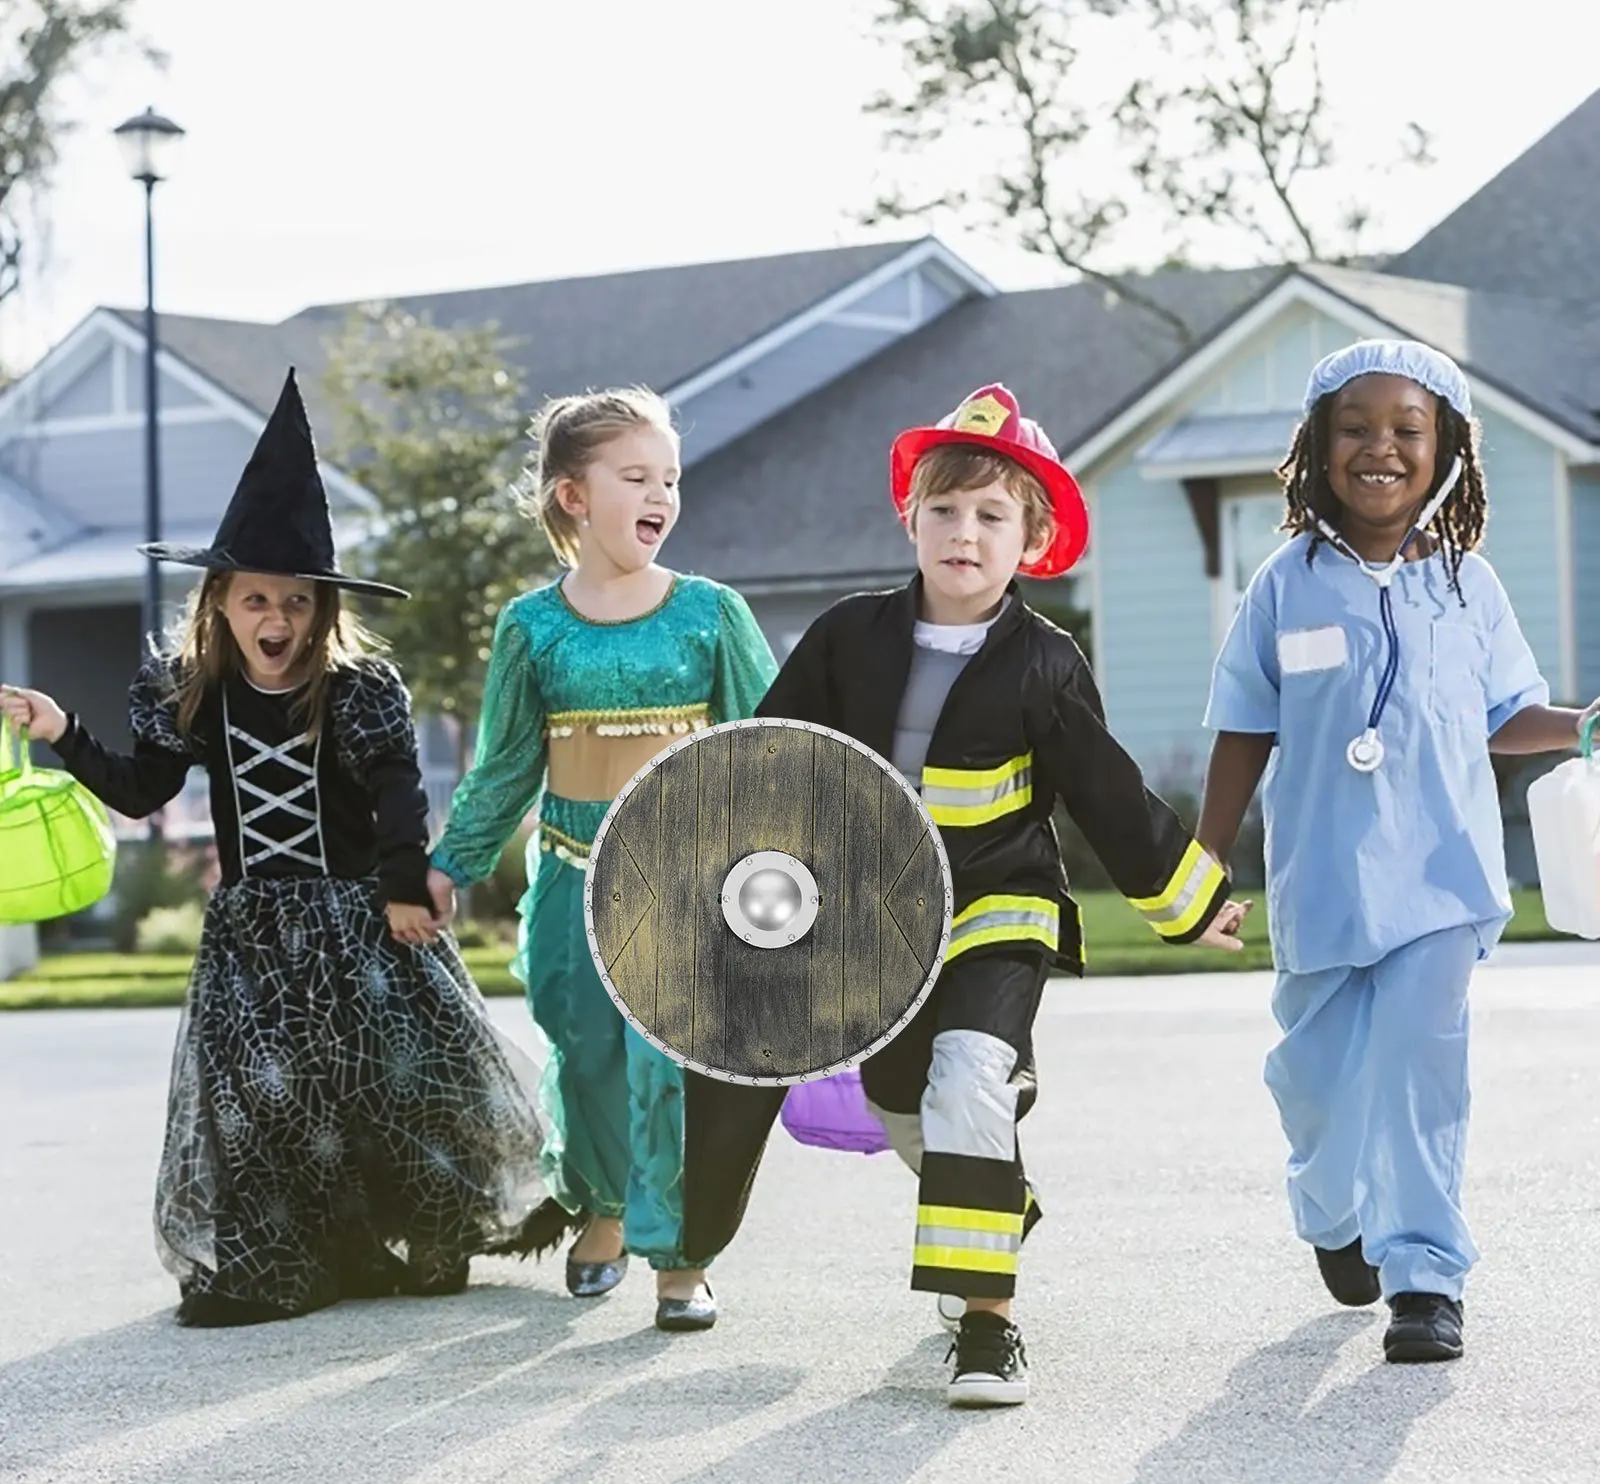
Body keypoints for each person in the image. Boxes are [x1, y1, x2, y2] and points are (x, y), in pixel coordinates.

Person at [680, 383, 1251, 1405]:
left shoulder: (1044, 661)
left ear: (1029, 539)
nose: (964, 531)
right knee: (908, 1106)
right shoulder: (845, 638)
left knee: (970, 1080)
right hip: (871, 921)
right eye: (944, 509)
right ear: (910, 520)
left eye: (993, 514)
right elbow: (767, 761)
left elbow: (1107, 792)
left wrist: (1190, 900)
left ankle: (986, 1326)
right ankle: (987, 1202)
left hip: (999, 906)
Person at [0, 370, 551, 1328]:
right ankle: (282, 1261)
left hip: (358, 917)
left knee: (394, 1080)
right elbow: (143, 791)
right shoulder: (192, 691)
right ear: (221, 602)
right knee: (263, 1096)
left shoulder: (357, 688)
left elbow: (395, 790)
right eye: (257, 600)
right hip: (255, 930)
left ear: (321, 610)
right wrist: (61, 732)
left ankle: (423, 1242)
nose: (277, 622)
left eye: (296, 603)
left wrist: (402, 887)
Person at [1197, 339, 1600, 1364]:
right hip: (1324, 885)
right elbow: (1245, 727)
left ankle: (1425, 1274)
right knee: (1316, 1081)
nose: (1380, 447)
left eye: (1406, 429)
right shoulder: (1284, 584)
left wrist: (1580, 724)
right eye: (1354, 427)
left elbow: (1504, 712)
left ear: (1446, 449)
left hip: (1442, 878)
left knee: (1425, 1070)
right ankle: (1332, 1212)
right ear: (1317, 448)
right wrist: (1201, 864)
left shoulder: (1469, 586)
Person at [426, 386, 778, 1332]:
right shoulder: (530, 627)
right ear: (574, 497)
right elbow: (505, 764)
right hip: (572, 872)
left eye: (670, 477)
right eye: (636, 476)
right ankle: (604, 1205)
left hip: (686, 879)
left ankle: (681, 1255)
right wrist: (451, 861)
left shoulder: (711, 613)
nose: (660, 493)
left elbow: (771, 747)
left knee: (666, 1064)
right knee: (582, 1050)